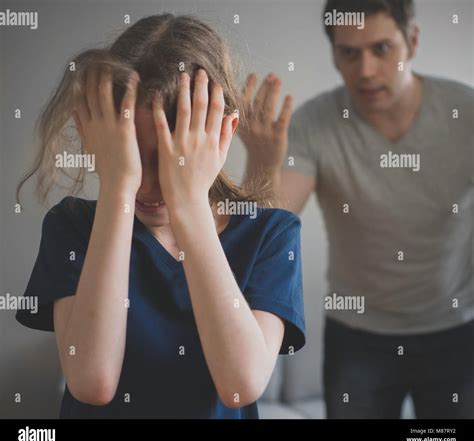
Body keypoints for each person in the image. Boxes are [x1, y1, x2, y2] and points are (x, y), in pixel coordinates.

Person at [15, 14, 306, 419]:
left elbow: (240, 385)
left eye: (171, 161)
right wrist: (118, 186)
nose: (148, 186)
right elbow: (91, 381)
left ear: (223, 136)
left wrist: (188, 203)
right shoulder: (72, 226)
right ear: (95, 139)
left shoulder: (272, 234)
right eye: (131, 156)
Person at [240, 0, 473, 419]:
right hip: (358, 338)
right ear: (334, 53)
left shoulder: (465, 113)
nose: (365, 70)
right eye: (349, 52)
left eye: (381, 48)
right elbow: (271, 233)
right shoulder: (313, 123)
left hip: (457, 329)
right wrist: (261, 162)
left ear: (412, 41)